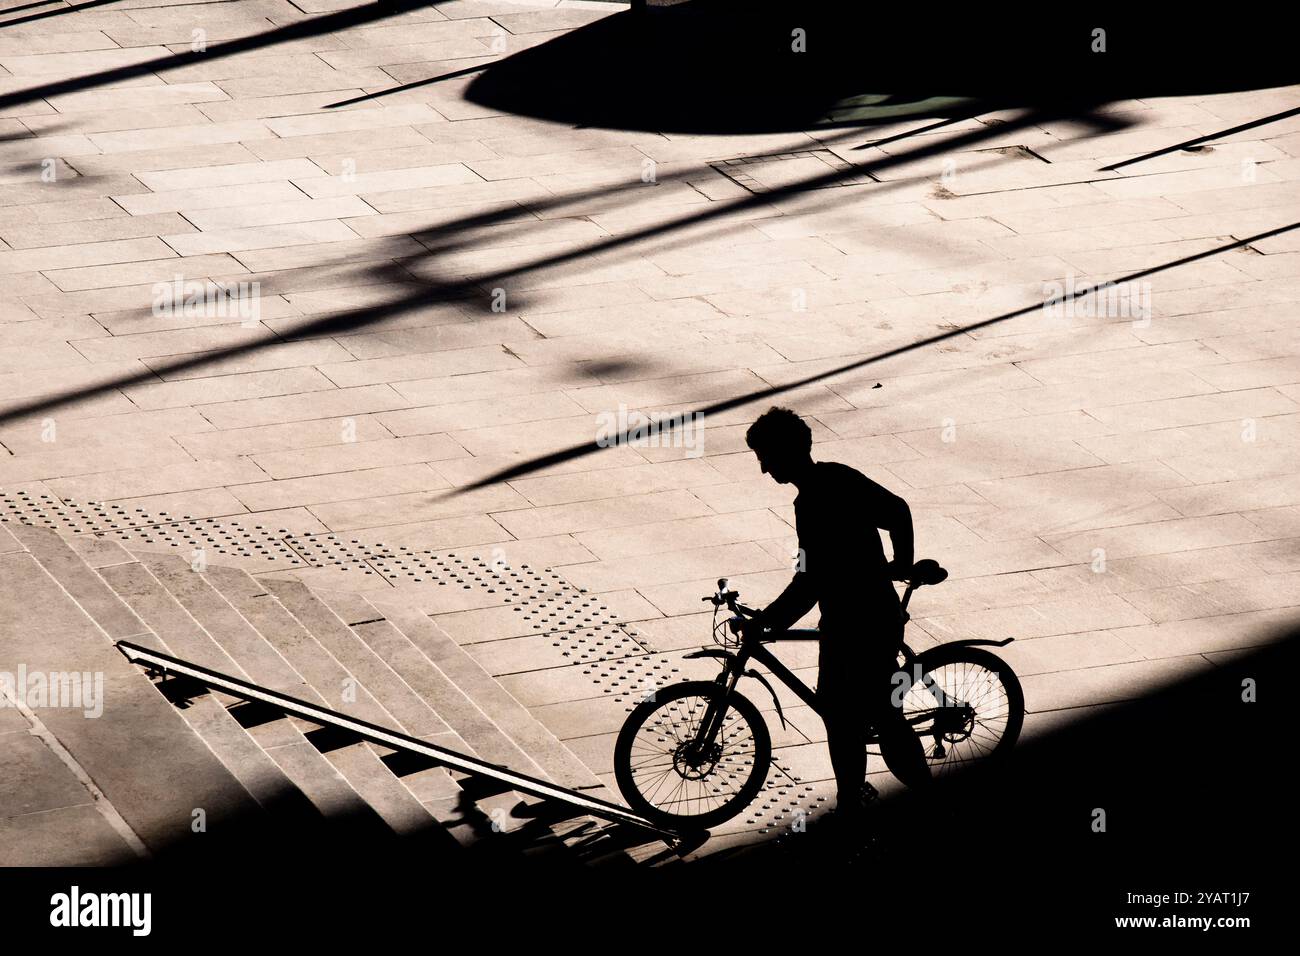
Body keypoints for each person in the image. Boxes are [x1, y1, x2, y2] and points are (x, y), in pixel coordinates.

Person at [741, 406, 931, 831]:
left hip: (865, 622)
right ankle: (854, 803)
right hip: (848, 621)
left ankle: (920, 799)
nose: (764, 468)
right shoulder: (828, 483)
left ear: (787, 453)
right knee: (844, 716)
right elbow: (895, 512)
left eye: (765, 457)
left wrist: (769, 621)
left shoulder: (824, 493)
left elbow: (810, 581)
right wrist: (900, 561)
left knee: (873, 715)